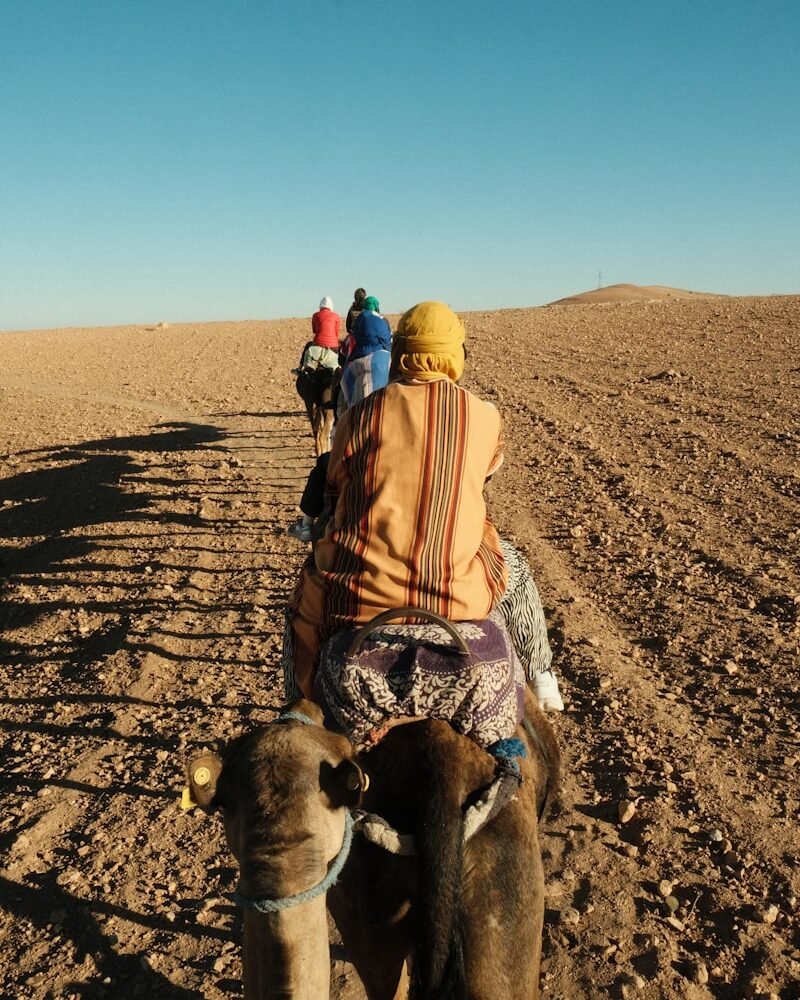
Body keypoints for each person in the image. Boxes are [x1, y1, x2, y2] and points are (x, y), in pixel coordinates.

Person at [284, 300, 564, 712]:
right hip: (458, 592)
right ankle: (542, 680)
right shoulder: (486, 417)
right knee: (517, 571)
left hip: (360, 596)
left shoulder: (358, 417)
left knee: (300, 607)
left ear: (399, 353)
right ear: (454, 354)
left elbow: (332, 487)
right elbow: (486, 474)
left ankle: (297, 713)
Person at [340, 295, 392, 408]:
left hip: (362, 350)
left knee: (343, 385)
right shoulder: (384, 320)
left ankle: (340, 413)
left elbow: (350, 327)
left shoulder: (359, 316)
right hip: (385, 352)